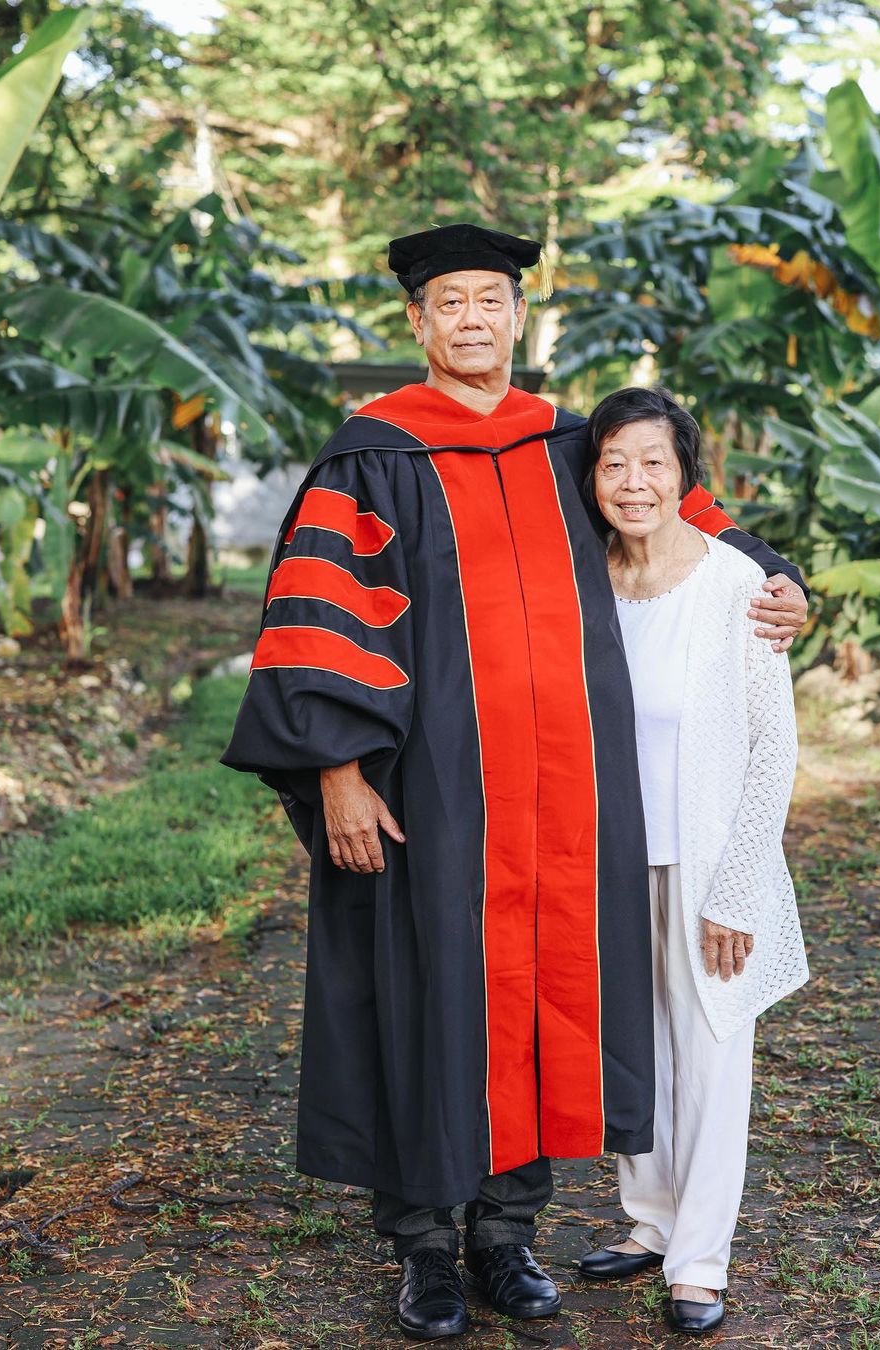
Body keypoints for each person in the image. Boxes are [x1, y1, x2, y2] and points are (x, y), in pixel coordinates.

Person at [222, 223, 809, 1342]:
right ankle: (427, 1247)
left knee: (539, 1003)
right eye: (452, 303)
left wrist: (778, 575)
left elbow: (672, 506)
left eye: (492, 298)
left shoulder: (566, 442)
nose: (475, 319)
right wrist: (338, 772)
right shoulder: (375, 454)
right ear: (419, 322)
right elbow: (313, 622)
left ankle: (508, 1235)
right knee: (433, 992)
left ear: (517, 314)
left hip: (568, 802)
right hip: (438, 796)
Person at [576, 386, 809, 1335]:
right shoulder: (584, 581)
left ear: (685, 475)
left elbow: (773, 747)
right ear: (591, 477)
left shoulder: (735, 590)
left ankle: (699, 1259)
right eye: (614, 464)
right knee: (631, 1044)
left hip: (708, 858)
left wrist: (739, 886)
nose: (634, 483)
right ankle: (647, 1221)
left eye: (654, 463)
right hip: (608, 859)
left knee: (712, 1052)